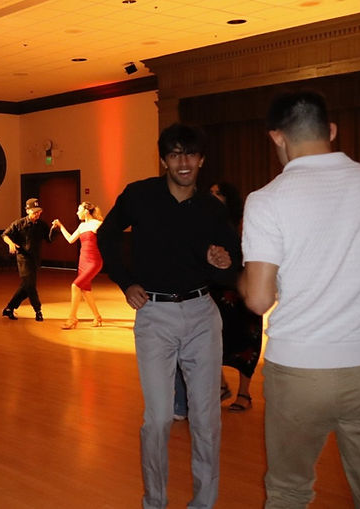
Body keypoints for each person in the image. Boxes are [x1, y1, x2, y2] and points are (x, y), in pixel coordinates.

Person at [98, 123, 239, 509]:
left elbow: (231, 261)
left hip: (200, 314)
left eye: (190, 154)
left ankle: (203, 502)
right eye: (175, 154)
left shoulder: (212, 209)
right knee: (158, 418)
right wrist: (125, 282)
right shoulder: (140, 195)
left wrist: (222, 262)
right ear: (163, 159)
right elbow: (106, 234)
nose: (183, 162)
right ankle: (154, 501)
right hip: (154, 315)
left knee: (206, 418)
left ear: (201, 160)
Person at [240, 91, 360, 508]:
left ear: (276, 137)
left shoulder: (267, 200)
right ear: (331, 130)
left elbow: (258, 300)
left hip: (299, 369)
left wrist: (240, 279)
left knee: (290, 490)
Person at [207, 181, 261, 412]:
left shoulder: (243, 223)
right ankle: (220, 386)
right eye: (210, 193)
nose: (212, 196)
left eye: (217, 193)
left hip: (241, 287)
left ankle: (244, 394)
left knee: (245, 339)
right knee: (211, 339)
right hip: (216, 289)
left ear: (228, 198)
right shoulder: (205, 222)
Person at [0, 198, 55, 321]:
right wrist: (11, 244)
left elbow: (49, 239)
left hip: (35, 260)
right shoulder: (19, 224)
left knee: (26, 287)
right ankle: (38, 311)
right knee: (30, 285)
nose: (37, 214)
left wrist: (54, 228)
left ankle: (9, 308)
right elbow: (5, 235)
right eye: (35, 212)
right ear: (28, 211)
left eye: (39, 212)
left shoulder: (42, 225)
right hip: (23, 259)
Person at [52, 202, 104, 329]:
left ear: (86, 211)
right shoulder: (82, 226)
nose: (77, 213)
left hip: (94, 261)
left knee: (75, 286)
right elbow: (70, 240)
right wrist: (60, 226)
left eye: (79, 210)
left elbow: (108, 240)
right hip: (83, 261)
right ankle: (97, 317)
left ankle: (72, 318)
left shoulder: (97, 224)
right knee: (85, 291)